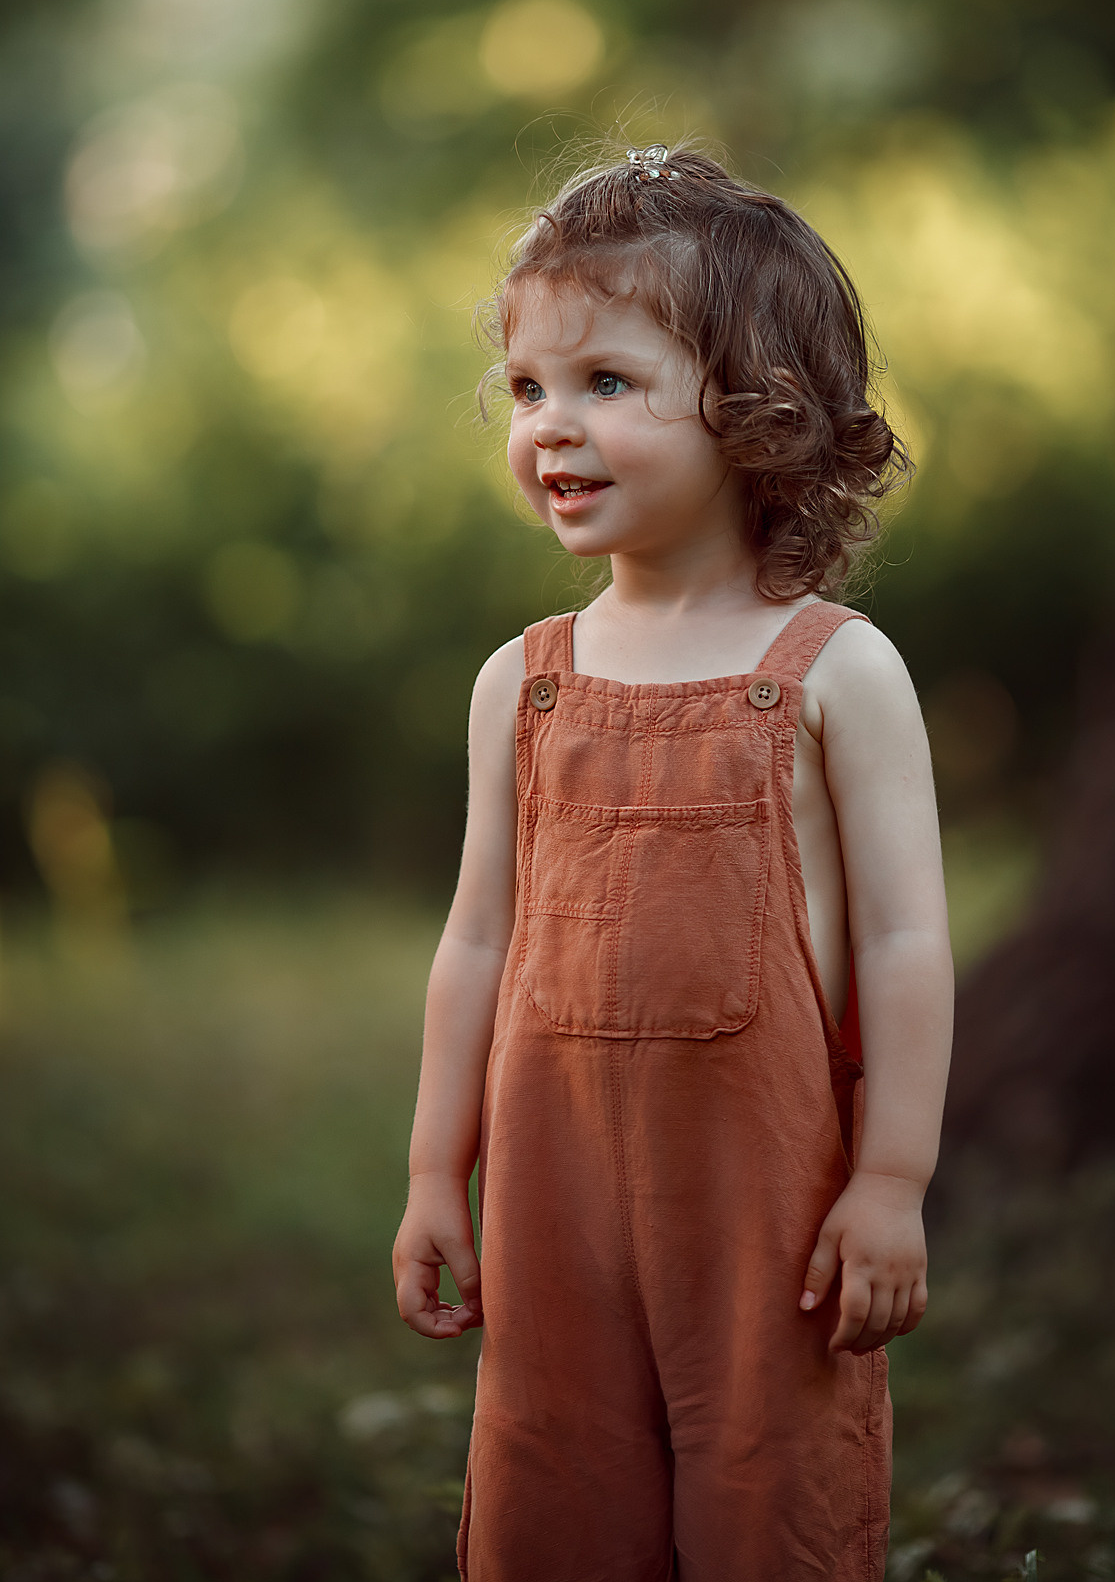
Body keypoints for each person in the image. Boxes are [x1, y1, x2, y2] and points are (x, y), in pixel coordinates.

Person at [392, 145, 954, 1582]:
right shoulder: (524, 682)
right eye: (527, 389)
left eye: (605, 384)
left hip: (761, 1202)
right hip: (549, 1189)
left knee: (770, 1483)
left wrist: (890, 1181)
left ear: (757, 409)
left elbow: (902, 943)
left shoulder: (837, 669)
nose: (549, 428)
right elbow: (476, 940)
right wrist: (431, 1172)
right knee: (554, 1474)